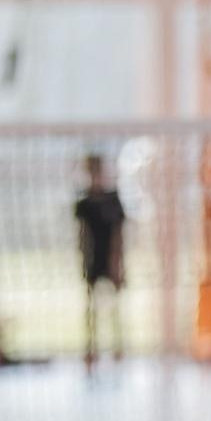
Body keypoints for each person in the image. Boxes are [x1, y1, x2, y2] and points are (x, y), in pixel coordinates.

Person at [73, 153, 126, 370]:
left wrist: (117, 264)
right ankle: (91, 348)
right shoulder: (83, 203)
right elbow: (82, 235)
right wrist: (84, 262)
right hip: (92, 260)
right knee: (90, 307)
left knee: (114, 306)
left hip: (109, 258)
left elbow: (118, 235)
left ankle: (117, 347)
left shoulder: (112, 200)